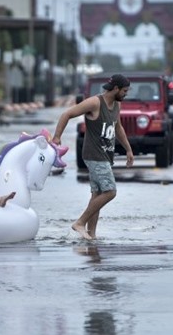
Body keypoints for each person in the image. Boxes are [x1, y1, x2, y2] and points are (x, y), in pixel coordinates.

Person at [52, 73, 134, 240]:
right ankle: (80, 222)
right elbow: (66, 114)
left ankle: (91, 235)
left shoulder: (116, 105)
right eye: (125, 90)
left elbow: (118, 128)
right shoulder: (95, 102)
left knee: (97, 195)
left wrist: (128, 149)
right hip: (94, 154)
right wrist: (57, 137)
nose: (126, 94)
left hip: (105, 154)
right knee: (110, 191)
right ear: (116, 88)